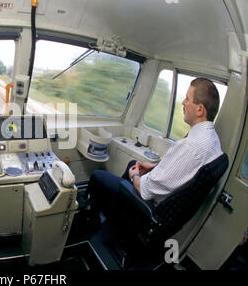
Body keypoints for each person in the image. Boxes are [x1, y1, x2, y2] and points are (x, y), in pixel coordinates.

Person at [86, 77, 223, 231]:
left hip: (151, 209)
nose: (183, 103)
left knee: (98, 176)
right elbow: (183, 171)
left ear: (200, 110)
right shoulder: (212, 140)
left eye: (187, 99)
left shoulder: (190, 146)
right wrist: (154, 167)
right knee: (133, 164)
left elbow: (146, 189)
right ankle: (116, 214)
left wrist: (134, 176)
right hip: (170, 204)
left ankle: (92, 222)